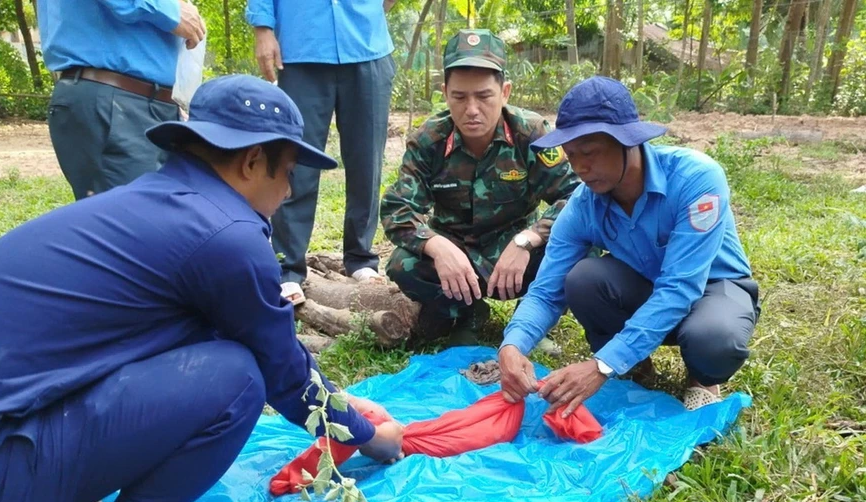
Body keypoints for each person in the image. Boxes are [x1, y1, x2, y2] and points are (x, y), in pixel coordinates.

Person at [0, 75, 405, 502]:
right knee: (237, 379)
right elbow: (281, 375)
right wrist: (370, 436)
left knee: (208, 352)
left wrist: (338, 402)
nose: (289, 191)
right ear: (251, 162)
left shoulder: (151, 204)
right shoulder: (225, 234)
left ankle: (48, 488)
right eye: (288, 172)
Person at [498, 76, 760, 412]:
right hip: (646, 290)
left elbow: (680, 287)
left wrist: (601, 365)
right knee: (583, 278)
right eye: (571, 155)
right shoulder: (583, 205)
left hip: (715, 288)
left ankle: (702, 377)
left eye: (589, 152)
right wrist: (512, 345)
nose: (579, 168)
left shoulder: (696, 179)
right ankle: (635, 363)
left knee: (714, 338)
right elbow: (546, 291)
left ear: (628, 141)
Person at [381, 29, 580, 346]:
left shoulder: (531, 133)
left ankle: (531, 317)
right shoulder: (430, 140)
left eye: (484, 96)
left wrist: (527, 239)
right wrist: (437, 246)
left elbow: (577, 199)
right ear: (445, 93)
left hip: (515, 250)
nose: (471, 109)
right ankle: (467, 313)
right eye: (459, 97)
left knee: (579, 253)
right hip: (455, 248)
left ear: (505, 93)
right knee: (403, 264)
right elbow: (396, 208)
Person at [245, 0, 397, 304]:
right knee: (294, 161)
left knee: (367, 161)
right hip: (302, 46)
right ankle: (287, 268)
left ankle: (361, 258)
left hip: (366, 44)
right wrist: (263, 28)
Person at [37, 0, 207, 200]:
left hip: (145, 102)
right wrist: (171, 11)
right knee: (136, 218)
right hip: (115, 100)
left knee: (157, 219)